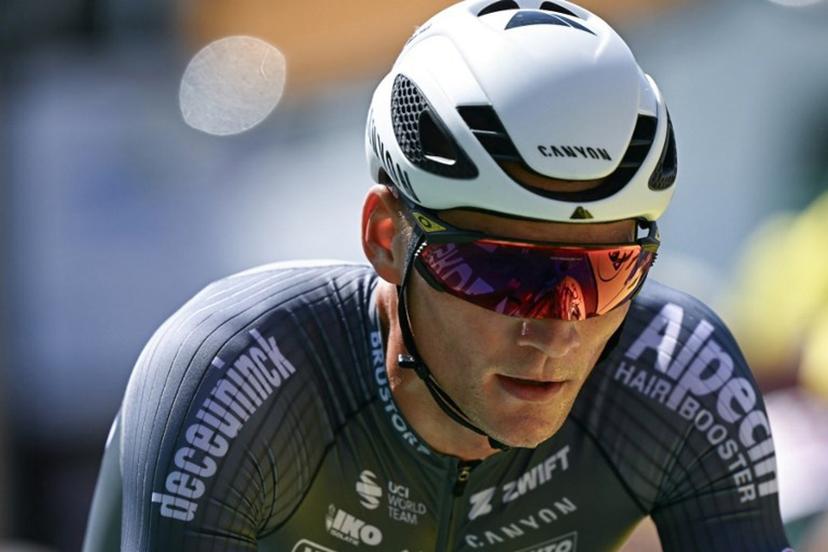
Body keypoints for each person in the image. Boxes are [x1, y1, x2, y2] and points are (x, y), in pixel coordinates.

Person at [82, 1, 792, 550]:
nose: (556, 330)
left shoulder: (677, 374)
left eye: (608, 274)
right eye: (502, 273)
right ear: (387, 238)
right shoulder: (238, 378)